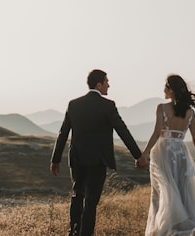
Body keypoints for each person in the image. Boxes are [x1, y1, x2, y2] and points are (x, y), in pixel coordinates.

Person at [51, 69, 146, 236]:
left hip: (77, 158)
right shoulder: (108, 106)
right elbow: (122, 131)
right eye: (106, 82)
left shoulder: (74, 104)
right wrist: (138, 156)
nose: (109, 85)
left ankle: (73, 232)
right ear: (99, 84)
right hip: (98, 160)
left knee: (77, 195)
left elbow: (63, 132)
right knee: (91, 200)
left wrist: (55, 159)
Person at [140, 74, 195, 236]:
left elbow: (157, 133)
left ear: (171, 90)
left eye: (165, 87)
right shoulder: (190, 112)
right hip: (182, 154)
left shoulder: (161, 108)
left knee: (163, 191)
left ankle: (165, 229)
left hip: (164, 153)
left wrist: (144, 154)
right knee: (183, 192)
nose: (163, 90)